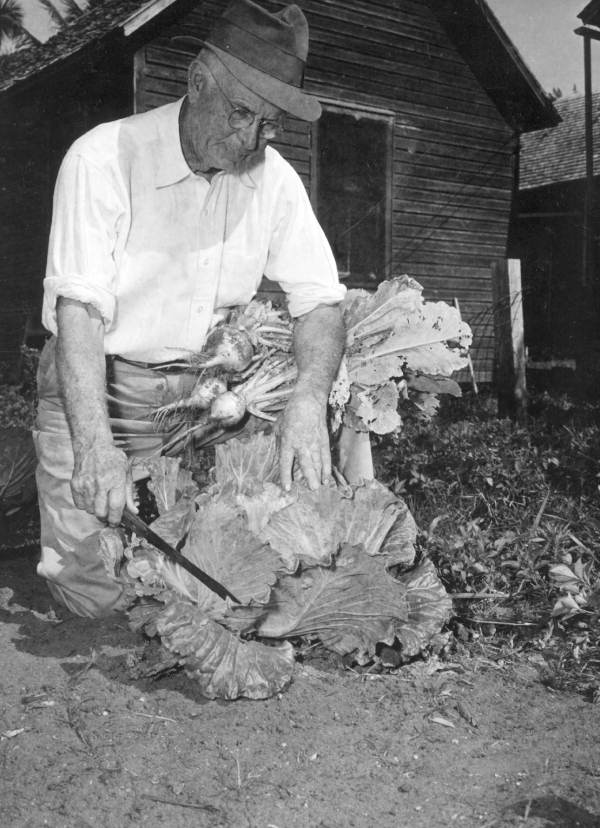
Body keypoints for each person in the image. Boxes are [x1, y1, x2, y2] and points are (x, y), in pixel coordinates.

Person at [34, 0, 346, 618]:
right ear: (197, 81)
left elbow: (321, 303)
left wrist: (309, 397)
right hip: (100, 394)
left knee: (225, 584)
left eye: (271, 123)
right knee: (98, 603)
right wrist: (96, 446)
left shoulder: (275, 180)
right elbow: (79, 314)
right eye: (240, 114)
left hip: (203, 404)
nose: (253, 138)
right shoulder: (102, 158)